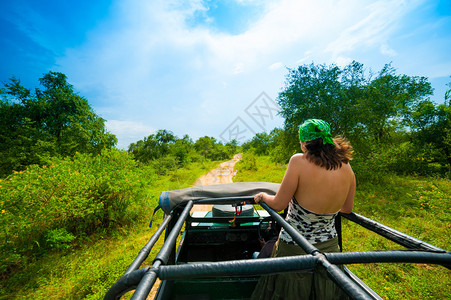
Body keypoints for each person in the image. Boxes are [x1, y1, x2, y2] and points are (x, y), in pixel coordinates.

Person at [250, 119, 355, 300]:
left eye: (300, 141)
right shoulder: (346, 166)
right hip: (330, 247)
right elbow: (347, 208)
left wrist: (262, 197)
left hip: (294, 246)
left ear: (306, 142)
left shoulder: (298, 161)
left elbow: (278, 205)